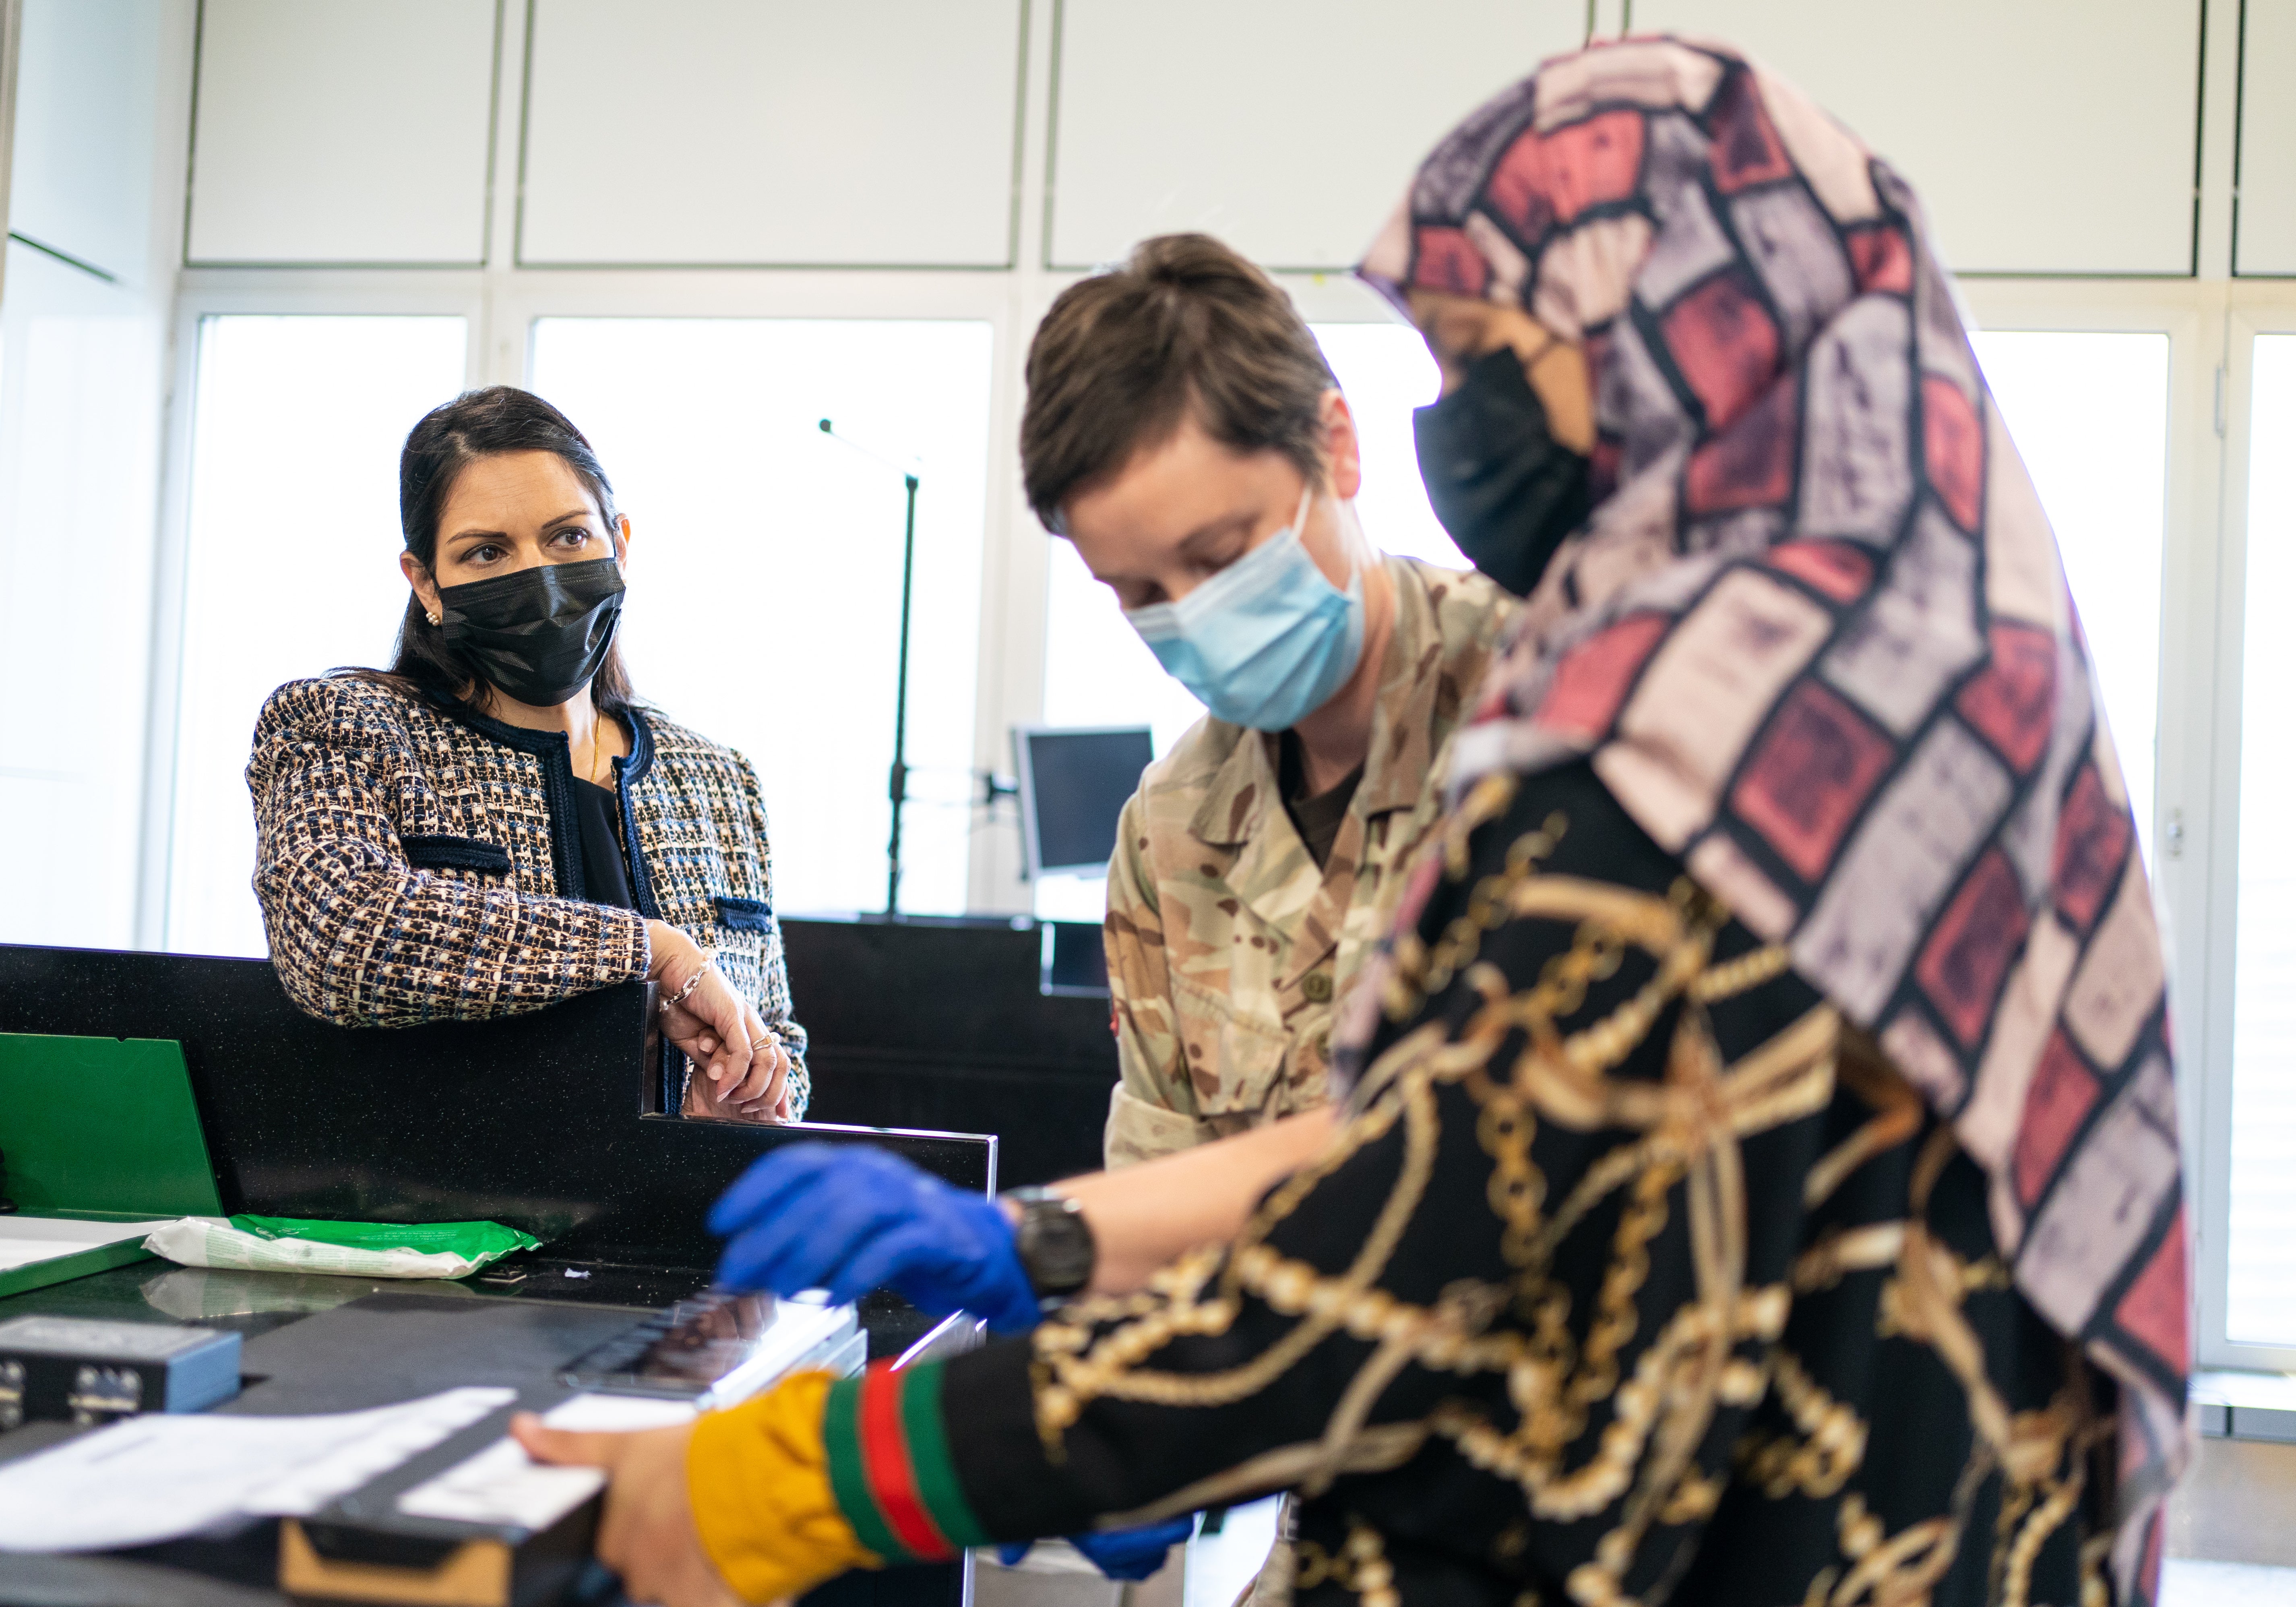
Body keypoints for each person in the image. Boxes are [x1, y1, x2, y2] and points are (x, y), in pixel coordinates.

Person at [515, 37, 2191, 1607]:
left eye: (1488, 359)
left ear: (1691, 332)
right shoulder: (1880, 664)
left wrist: (835, 1464)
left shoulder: (1652, 740)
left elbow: (1436, 1213)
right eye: (1135, 589)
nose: (1456, 419)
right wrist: (1074, 1277)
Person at [1021, 233, 1516, 1166]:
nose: (1195, 617)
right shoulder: (1169, 829)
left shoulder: (1547, 706)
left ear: (1335, 449)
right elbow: (1160, 1186)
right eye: (1141, 593)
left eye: (1219, 556)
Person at [248, 386, 807, 1122]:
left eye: (569, 538)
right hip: (434, 1225)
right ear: (427, 585)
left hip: (665, 1224)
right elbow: (338, 937)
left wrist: (752, 1102)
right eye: (486, 552)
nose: (540, 582)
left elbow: (782, 1042)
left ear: (621, 544)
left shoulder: (719, 783)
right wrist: (651, 952)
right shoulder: (340, 727)